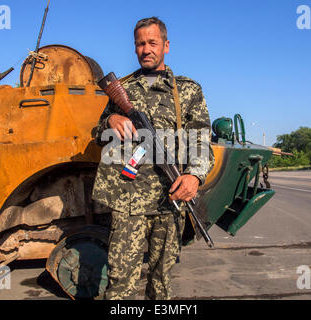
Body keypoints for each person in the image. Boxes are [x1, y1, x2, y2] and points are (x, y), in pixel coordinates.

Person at [92, 17, 214, 300]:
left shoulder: (187, 90)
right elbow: (97, 131)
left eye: (152, 43)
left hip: (168, 200)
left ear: (166, 46)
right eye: (140, 44)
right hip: (127, 200)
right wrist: (111, 119)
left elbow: (200, 140)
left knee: (160, 284)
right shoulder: (123, 88)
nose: (146, 49)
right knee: (120, 284)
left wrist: (194, 176)